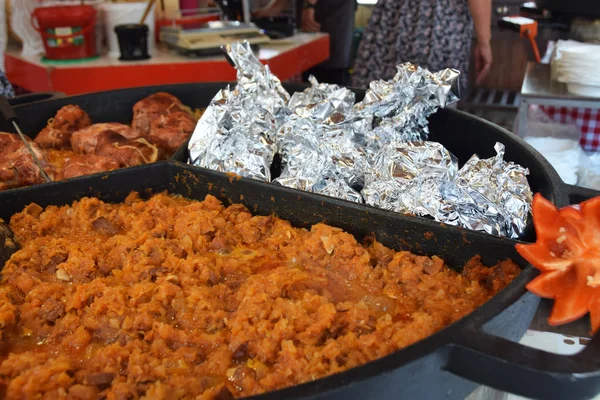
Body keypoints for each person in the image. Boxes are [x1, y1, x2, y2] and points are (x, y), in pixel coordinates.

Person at [352, 0, 493, 95]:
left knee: (378, 101)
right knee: (429, 108)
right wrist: (484, 41)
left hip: (391, 19)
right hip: (437, 23)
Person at [254, 0, 356, 86]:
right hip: (314, 13)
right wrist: (271, 9)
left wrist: (310, 5)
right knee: (310, 74)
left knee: (331, 73)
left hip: (328, 13)